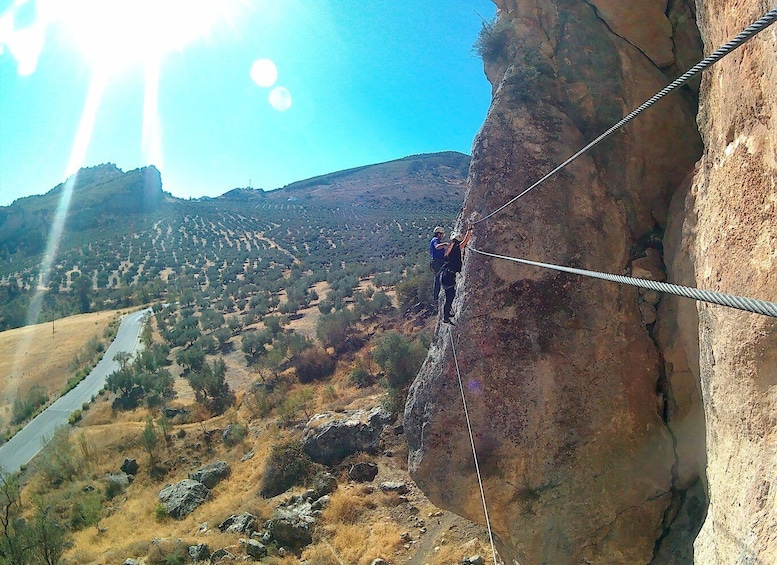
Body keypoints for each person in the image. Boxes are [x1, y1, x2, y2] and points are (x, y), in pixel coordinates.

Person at [440, 223, 473, 324]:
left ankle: (447, 314)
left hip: (446, 275)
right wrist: (469, 229)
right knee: (450, 297)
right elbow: (465, 241)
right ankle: (446, 317)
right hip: (448, 277)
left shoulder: (450, 248)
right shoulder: (456, 248)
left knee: (449, 296)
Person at [429, 226, 447, 306]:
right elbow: (437, 247)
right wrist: (445, 244)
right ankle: (436, 297)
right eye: (442, 234)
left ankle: (436, 296)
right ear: (439, 234)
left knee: (438, 278)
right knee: (438, 279)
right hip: (437, 262)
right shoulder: (435, 240)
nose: (443, 236)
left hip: (438, 262)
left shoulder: (437, 240)